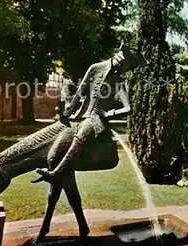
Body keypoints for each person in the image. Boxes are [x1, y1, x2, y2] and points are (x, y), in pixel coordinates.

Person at [33, 43, 148, 182]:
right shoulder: (95, 68)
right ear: (121, 61)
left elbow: (128, 108)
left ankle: (58, 171)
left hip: (98, 119)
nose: (125, 71)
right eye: (127, 68)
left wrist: (108, 114)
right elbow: (80, 92)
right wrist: (67, 112)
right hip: (82, 114)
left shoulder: (119, 81)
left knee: (84, 130)